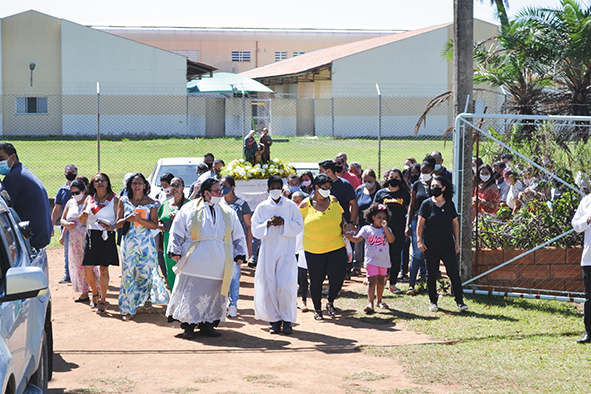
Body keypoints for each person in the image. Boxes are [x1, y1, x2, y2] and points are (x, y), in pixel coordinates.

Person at [166, 178, 246, 338]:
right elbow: (176, 230)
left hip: (219, 261)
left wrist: (240, 252)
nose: (220, 193)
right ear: (207, 193)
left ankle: (207, 325)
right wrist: (174, 249)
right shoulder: (189, 208)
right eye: (217, 191)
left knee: (214, 294)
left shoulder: (228, 211)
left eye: (221, 190)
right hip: (195, 259)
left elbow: (238, 233)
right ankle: (188, 326)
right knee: (191, 294)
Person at [252, 176, 304, 334]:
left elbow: (299, 225)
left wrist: (285, 223)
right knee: (270, 285)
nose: (276, 191)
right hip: (268, 251)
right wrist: (267, 223)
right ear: (268, 190)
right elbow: (255, 229)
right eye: (272, 188)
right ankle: (274, 320)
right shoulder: (262, 207)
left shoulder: (290, 206)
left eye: (278, 188)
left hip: (286, 251)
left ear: (283, 190)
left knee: (285, 285)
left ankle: (287, 320)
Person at [118, 173, 169, 321]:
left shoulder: (152, 203)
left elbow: (154, 225)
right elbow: (118, 222)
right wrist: (129, 219)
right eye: (134, 183)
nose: (137, 185)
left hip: (146, 242)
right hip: (128, 241)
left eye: (140, 183)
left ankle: (143, 299)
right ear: (130, 185)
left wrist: (140, 219)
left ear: (145, 185)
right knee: (127, 274)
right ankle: (127, 308)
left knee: (145, 273)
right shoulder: (124, 201)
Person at [299, 174, 348, 320]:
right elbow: (296, 222)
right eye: (324, 187)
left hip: (336, 246)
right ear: (316, 187)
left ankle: (330, 301)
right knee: (316, 280)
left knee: (338, 278)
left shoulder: (333, 200)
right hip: (314, 249)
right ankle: (318, 309)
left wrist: (345, 225)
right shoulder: (304, 204)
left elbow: (341, 216)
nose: (327, 190)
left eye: (329, 187)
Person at [416, 175, 468, 312]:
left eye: (437, 186)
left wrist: (457, 241)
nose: (434, 188)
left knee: (453, 273)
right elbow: (420, 224)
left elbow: (455, 223)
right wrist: (419, 240)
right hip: (430, 245)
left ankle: (460, 301)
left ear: (443, 188)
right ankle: (433, 301)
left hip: (447, 244)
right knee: (431, 273)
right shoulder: (426, 204)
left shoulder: (449, 204)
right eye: (432, 186)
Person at [79, 173, 124, 314]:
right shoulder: (89, 199)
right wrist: (85, 214)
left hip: (106, 235)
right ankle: (95, 292)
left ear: (107, 183)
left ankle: (103, 300)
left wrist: (113, 226)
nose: (100, 183)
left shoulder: (115, 199)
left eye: (102, 180)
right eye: (97, 181)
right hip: (92, 235)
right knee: (87, 268)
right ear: (93, 184)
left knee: (104, 269)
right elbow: (81, 220)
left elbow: (120, 221)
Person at [0, 143, 52, 251]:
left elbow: (4, 208)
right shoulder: (23, 172)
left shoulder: (13, 178)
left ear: (13, 157)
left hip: (29, 240)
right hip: (39, 237)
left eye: (1, 159)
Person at [346, 203, 394, 313]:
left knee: (381, 281)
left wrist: (385, 227)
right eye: (379, 218)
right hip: (371, 260)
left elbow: (391, 240)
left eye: (384, 218)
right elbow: (357, 239)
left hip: (383, 260)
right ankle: (370, 303)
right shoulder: (366, 229)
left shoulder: (386, 230)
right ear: (372, 217)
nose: (381, 220)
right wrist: (350, 237)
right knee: (372, 281)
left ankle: (379, 301)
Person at [59, 179, 98, 304]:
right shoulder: (70, 203)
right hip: (74, 239)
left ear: (83, 191)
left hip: (88, 238)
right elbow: (62, 219)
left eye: (77, 192)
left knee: (90, 265)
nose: (75, 195)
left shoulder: (90, 201)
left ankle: (97, 291)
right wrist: (66, 227)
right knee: (78, 265)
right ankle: (84, 292)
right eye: (73, 193)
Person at [220, 175, 253, 318]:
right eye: (220, 185)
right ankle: (221, 304)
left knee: (233, 276)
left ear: (233, 187)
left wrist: (249, 249)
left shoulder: (241, 204)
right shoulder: (217, 203)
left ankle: (233, 305)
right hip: (218, 245)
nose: (222, 188)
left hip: (235, 246)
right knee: (219, 276)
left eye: (225, 185)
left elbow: (248, 227)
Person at [373, 168, 410, 294]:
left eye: (397, 177)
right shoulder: (381, 193)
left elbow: (408, 210)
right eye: (391, 176)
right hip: (382, 230)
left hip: (398, 230)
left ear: (400, 179)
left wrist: (407, 226)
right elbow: (374, 210)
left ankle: (392, 283)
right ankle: (380, 279)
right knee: (382, 254)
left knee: (395, 256)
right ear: (387, 178)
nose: (394, 179)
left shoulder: (405, 193)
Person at [405, 156, 435, 295]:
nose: (424, 173)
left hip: (432, 222)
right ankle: (411, 284)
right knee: (417, 253)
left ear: (433, 170)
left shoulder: (437, 184)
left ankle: (427, 282)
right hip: (417, 221)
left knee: (429, 252)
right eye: (422, 171)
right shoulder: (416, 185)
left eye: (426, 171)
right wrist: (408, 224)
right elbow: (411, 205)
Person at [158, 177, 190, 291]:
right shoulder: (165, 205)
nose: (175, 188)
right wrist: (163, 226)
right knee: (171, 271)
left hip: (186, 242)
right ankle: (174, 301)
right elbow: (158, 221)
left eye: (178, 185)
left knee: (186, 271)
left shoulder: (190, 205)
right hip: (169, 240)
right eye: (172, 185)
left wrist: (180, 217)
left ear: (183, 187)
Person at [53, 163, 79, 283]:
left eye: (73, 172)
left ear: (76, 174)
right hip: (66, 224)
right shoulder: (62, 190)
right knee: (67, 251)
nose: (70, 173)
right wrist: (51, 225)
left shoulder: (81, 189)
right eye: (69, 171)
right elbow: (57, 208)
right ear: (64, 174)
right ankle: (68, 275)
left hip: (79, 225)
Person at [571, 193, 591, 343]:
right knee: (589, 298)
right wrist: (588, 220)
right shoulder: (587, 201)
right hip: (589, 258)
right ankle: (589, 332)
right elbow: (576, 224)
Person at [353, 169, 380, 276]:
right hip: (360, 221)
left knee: (373, 245)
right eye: (365, 181)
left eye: (370, 181)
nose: (367, 183)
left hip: (375, 223)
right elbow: (354, 205)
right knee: (358, 244)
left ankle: (375, 265)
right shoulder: (359, 190)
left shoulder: (379, 190)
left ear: (375, 179)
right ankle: (357, 266)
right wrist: (354, 219)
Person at [291, 191, 309, 312]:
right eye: (294, 200)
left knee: (303, 276)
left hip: (303, 248)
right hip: (291, 248)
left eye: (298, 201)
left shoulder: (307, 214)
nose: (296, 203)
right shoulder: (289, 213)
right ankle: (292, 301)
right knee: (292, 275)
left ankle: (304, 301)